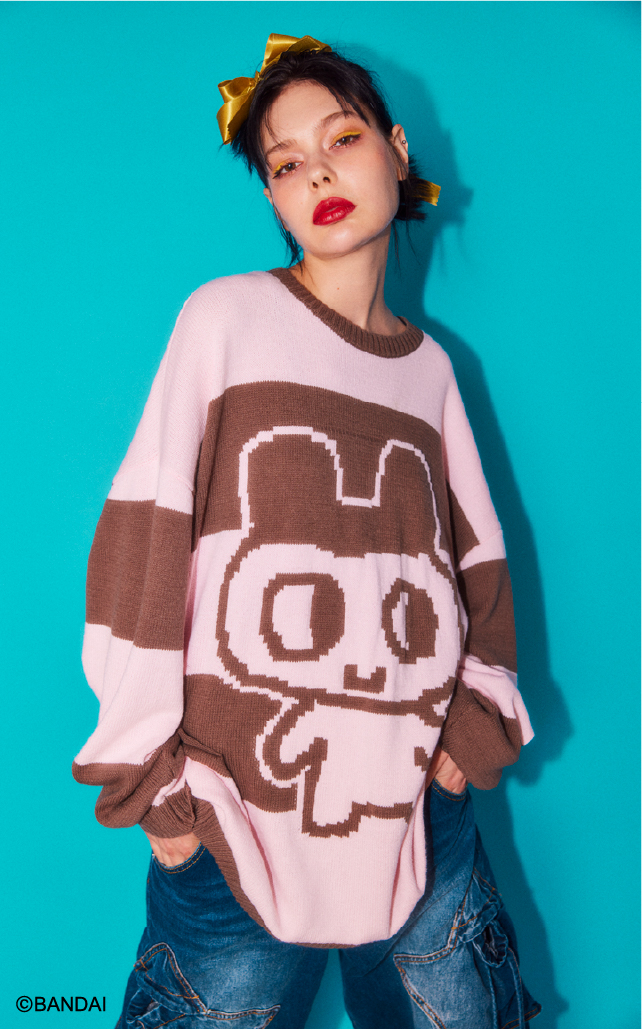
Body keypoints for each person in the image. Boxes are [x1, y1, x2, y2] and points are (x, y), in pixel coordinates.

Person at [73, 33, 541, 1030]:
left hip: (417, 821)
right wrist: (153, 788)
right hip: (235, 821)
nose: (318, 173)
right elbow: (141, 542)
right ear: (275, 200)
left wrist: (469, 734)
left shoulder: (433, 374)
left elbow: (480, 572)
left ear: (398, 150)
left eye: (342, 138)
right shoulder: (225, 322)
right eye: (286, 164)